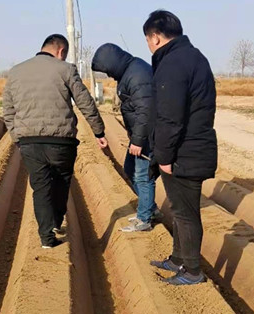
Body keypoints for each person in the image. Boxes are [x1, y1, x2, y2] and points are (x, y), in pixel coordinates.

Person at [3, 34, 107, 248]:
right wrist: (98, 131)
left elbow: (8, 111)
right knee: (61, 182)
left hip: (30, 141)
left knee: (40, 187)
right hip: (61, 141)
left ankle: (46, 238)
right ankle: (57, 222)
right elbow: (85, 102)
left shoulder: (15, 72)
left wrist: (17, 137)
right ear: (61, 51)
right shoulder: (66, 69)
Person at [144, 10, 217, 285]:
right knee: (179, 209)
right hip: (191, 147)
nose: (149, 45)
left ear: (155, 37)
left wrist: (163, 156)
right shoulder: (193, 57)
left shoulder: (173, 63)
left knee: (186, 213)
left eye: (147, 40)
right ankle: (178, 259)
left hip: (184, 152)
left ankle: (193, 271)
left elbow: (169, 117)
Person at [91, 43, 160, 232]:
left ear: (112, 64)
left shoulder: (137, 76)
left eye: (107, 70)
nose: (109, 75)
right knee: (130, 169)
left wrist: (138, 140)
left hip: (148, 136)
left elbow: (146, 111)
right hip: (141, 134)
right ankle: (150, 208)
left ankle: (144, 219)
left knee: (143, 176)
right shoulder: (130, 71)